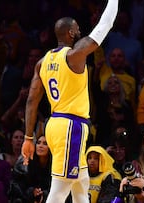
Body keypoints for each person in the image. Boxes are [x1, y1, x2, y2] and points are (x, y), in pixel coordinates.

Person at [21, 0, 119, 202]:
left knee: (81, 184)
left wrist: (28, 137)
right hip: (71, 127)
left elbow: (31, 100)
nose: (80, 30)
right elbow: (105, 25)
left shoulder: (42, 62)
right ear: (71, 33)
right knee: (59, 190)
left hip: (55, 124)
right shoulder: (74, 55)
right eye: (77, 28)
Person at [10, 135, 52, 203]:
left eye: (45, 144)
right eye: (38, 143)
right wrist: (32, 191)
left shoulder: (54, 165)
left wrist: (43, 194)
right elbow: (17, 185)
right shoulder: (25, 163)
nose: (40, 146)